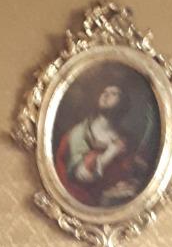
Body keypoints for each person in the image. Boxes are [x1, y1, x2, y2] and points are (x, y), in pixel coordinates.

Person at [55, 78, 159, 208]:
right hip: (86, 202)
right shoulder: (78, 133)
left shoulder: (126, 139)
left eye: (113, 93)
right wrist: (109, 153)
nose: (106, 95)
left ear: (123, 103)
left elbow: (133, 172)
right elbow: (82, 175)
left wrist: (131, 185)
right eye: (104, 92)